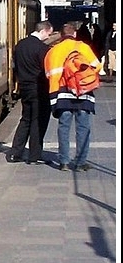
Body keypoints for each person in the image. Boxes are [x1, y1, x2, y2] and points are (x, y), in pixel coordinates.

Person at [44, 21, 101, 172]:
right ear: (74, 34)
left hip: (61, 94)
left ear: (61, 35)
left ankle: (63, 161)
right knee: (83, 128)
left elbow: (48, 74)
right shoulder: (83, 47)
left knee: (64, 127)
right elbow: (97, 66)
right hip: (83, 93)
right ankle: (81, 162)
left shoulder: (53, 51)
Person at [7, 20, 53, 164]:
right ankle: (34, 155)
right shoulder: (41, 48)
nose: (48, 37)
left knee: (25, 119)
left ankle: (15, 153)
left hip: (25, 87)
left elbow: (15, 66)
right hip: (39, 88)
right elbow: (46, 69)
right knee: (38, 120)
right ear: (43, 31)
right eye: (49, 34)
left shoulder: (20, 45)